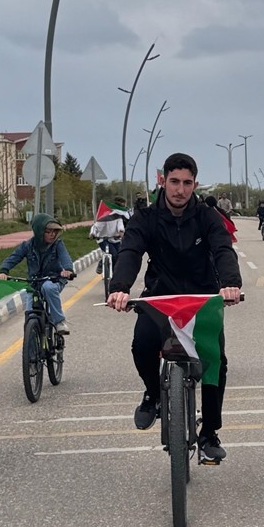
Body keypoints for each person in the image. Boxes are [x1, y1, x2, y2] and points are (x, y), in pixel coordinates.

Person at [106, 152, 242, 462]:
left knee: (215, 361)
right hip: (160, 298)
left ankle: (209, 432)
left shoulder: (207, 217)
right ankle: (153, 395)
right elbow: (130, 251)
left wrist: (230, 283)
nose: (180, 190)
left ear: (195, 184)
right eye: (174, 182)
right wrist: (119, 287)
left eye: (187, 183)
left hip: (201, 300)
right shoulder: (146, 218)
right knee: (142, 345)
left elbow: (223, 249)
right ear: (163, 182)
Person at [0, 214, 76, 334]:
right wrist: (4, 270)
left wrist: (68, 270)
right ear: (39, 232)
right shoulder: (27, 246)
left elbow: (65, 257)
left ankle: (59, 321)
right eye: (48, 232)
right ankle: (31, 339)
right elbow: (13, 258)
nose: (52, 235)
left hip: (54, 279)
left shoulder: (57, 244)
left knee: (48, 287)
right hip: (34, 283)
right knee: (30, 314)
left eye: (54, 232)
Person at [90, 200, 126, 274]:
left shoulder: (119, 218)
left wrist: (121, 234)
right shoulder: (103, 217)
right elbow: (96, 227)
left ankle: (116, 271)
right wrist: (93, 234)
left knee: (120, 255)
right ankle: (103, 265)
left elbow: (120, 227)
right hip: (103, 240)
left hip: (115, 239)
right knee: (113, 254)